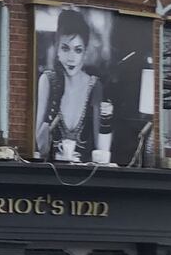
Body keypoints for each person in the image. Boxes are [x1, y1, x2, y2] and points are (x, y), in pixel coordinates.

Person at [35, 9, 113, 162]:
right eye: (65, 48)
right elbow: (41, 147)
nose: (71, 58)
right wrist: (56, 99)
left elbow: (102, 152)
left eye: (77, 50)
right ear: (57, 49)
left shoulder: (95, 86)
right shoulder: (48, 81)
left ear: (85, 53)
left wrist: (107, 119)